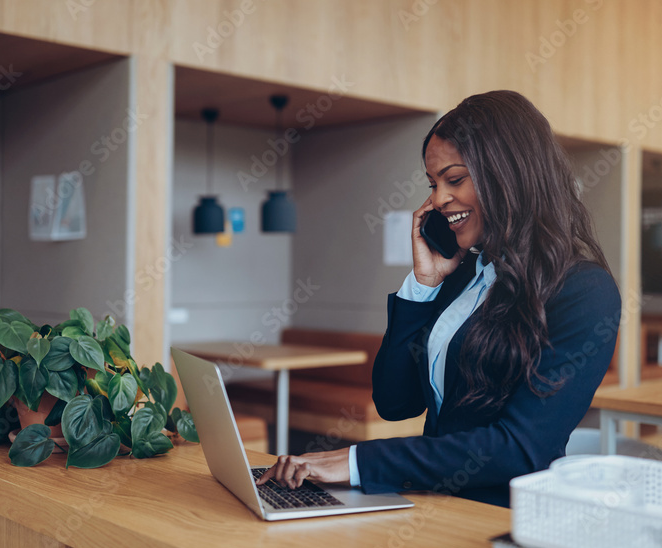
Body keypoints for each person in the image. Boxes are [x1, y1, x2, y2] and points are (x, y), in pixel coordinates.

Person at [257, 90, 621, 507]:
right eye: (433, 184)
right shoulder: (463, 273)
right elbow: (394, 402)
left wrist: (357, 462)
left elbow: (522, 448)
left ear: (510, 175)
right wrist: (423, 285)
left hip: (493, 519)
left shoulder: (584, 292)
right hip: (426, 500)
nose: (438, 200)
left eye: (455, 179)